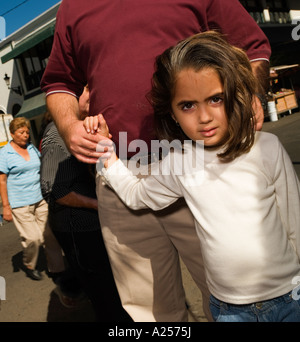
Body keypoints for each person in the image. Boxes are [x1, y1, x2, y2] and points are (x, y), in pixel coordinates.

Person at [41, 0, 271, 321]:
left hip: (199, 162)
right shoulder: (72, 7)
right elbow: (59, 83)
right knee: (149, 312)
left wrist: (248, 94)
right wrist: (69, 126)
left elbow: (252, 47)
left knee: (237, 296)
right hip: (117, 174)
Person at [85, 31, 300, 322]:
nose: (204, 117)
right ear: (172, 113)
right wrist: (108, 157)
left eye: (215, 99)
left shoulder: (267, 148)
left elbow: (295, 223)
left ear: (234, 94)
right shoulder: (179, 162)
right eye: (187, 105)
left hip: (290, 298)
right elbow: (137, 196)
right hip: (229, 311)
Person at [40, 85, 131, 322]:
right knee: (105, 295)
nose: (93, 94)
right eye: (86, 90)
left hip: (95, 226)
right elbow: (54, 189)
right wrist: (99, 204)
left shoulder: (87, 127)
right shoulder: (55, 134)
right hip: (77, 228)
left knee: (113, 288)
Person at [0, 117, 48, 281]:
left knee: (46, 235)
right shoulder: (5, 153)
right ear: (12, 134)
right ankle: (29, 264)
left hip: (40, 199)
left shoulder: (32, 148)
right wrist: (6, 206)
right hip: (20, 203)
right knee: (33, 238)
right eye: (21, 132)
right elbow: (2, 180)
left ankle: (51, 261)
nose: (26, 135)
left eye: (27, 132)